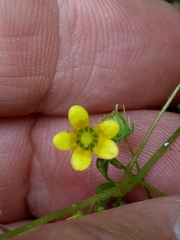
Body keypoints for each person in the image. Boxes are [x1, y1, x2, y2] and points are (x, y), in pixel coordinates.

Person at [0, 0, 180, 239]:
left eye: (89, 135)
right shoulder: (86, 139)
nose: (87, 137)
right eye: (84, 136)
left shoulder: (103, 134)